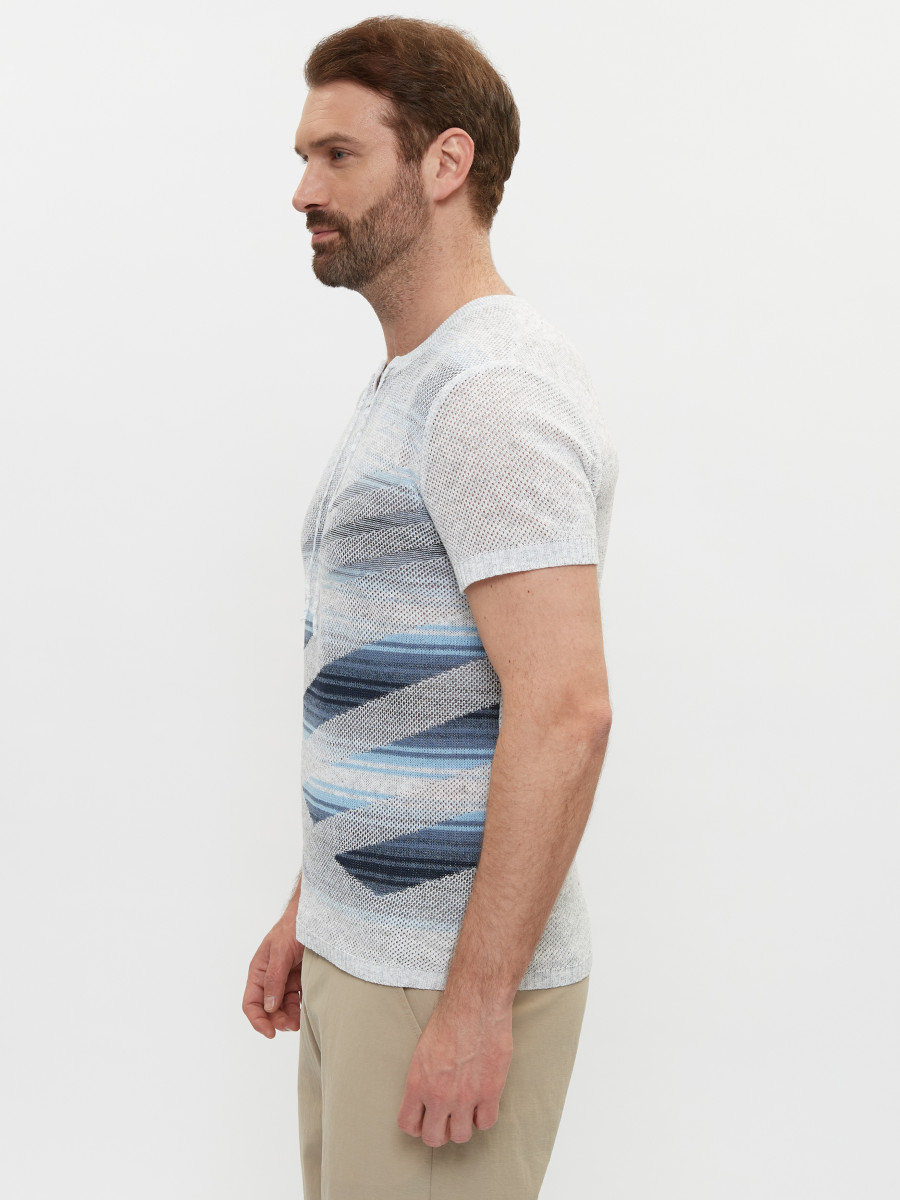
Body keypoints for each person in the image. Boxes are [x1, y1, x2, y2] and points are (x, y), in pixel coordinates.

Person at [242, 15, 619, 1199]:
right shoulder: (420, 377)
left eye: (339, 155)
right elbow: (396, 683)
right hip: (373, 960)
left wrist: (476, 1005)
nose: (304, 189)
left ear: (446, 163)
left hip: (437, 984)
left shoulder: (489, 393)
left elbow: (565, 713)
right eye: (304, 157)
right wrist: (314, 909)